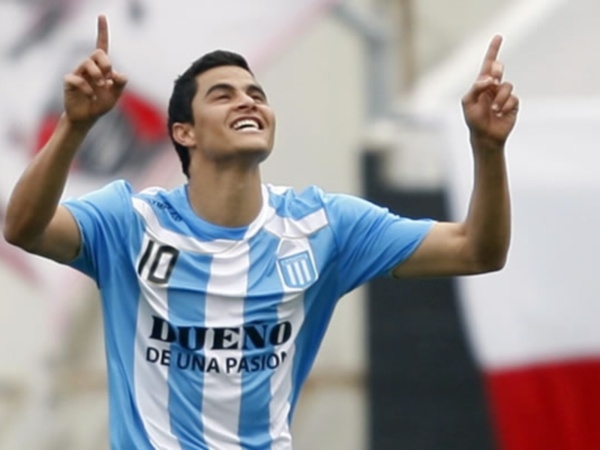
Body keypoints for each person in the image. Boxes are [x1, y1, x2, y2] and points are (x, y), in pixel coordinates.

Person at [3, 13, 518, 450]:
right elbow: (23, 227)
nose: (247, 102)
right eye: (223, 95)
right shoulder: (129, 221)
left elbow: (477, 250)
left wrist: (488, 148)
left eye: (256, 94)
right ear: (184, 132)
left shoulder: (323, 226)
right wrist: (74, 126)